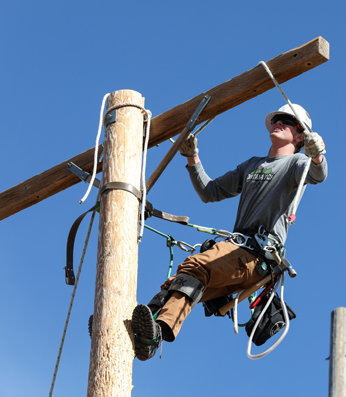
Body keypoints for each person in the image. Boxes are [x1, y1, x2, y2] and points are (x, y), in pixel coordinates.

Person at [131, 103, 328, 360]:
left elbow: (317, 174)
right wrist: (192, 157)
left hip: (255, 255)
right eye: (277, 118)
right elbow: (209, 192)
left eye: (287, 121)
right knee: (180, 283)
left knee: (195, 266)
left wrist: (318, 154)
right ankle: (146, 334)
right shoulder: (251, 165)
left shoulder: (296, 163)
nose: (278, 122)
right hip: (238, 257)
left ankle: (157, 328)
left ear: (300, 135)